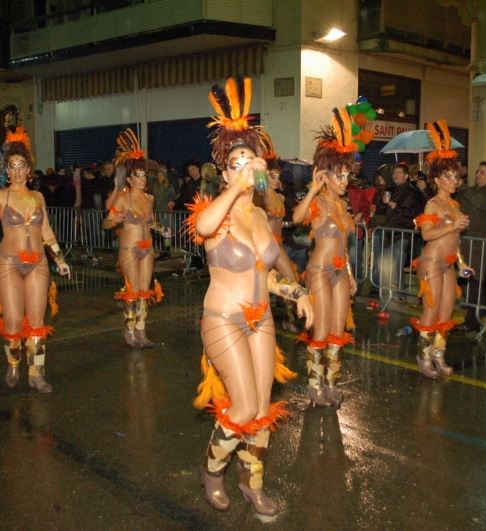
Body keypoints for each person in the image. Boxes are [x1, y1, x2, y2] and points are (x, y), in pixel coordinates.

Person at [189, 77, 312, 517]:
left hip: (261, 318)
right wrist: (236, 189)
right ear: (224, 171)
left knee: (261, 409)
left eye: (250, 158)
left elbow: (266, 274)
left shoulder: (262, 215)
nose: (244, 166)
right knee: (240, 405)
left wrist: (296, 290)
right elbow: (202, 229)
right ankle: (212, 470)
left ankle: (251, 482)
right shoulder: (216, 210)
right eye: (234, 161)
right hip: (223, 318)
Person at [0, 127, 71, 393]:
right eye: (12, 166)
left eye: (22, 166)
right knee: (14, 321)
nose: (17, 171)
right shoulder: (0, 196)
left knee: (38, 321)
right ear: (6, 169)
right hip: (8, 262)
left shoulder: (38, 197)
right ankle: (13, 364)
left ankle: (37, 374)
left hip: (38, 261)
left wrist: (60, 260)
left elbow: (47, 232)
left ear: (29, 169)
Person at [292, 107, 358, 407]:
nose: (345, 181)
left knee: (338, 330)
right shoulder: (318, 201)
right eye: (340, 176)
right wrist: (314, 187)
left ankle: (331, 384)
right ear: (327, 175)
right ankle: (314, 385)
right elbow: (296, 217)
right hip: (319, 271)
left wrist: (352, 274)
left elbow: (344, 246)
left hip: (341, 272)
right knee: (320, 330)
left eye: (347, 176)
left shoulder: (344, 207)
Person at [410, 120, 473, 379]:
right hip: (431, 263)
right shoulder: (433, 205)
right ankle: (423, 356)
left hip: (448, 264)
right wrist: (451, 227)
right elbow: (427, 234)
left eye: (456, 176)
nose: (454, 180)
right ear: (437, 180)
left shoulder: (455, 206)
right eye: (448, 176)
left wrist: (462, 263)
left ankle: (438, 355)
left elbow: (455, 242)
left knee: (447, 313)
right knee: (431, 310)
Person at [104, 129, 168, 348]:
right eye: (137, 176)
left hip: (147, 248)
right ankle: (129, 330)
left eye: (144, 175)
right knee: (131, 291)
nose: (142, 179)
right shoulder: (122, 199)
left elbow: (150, 222)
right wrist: (114, 220)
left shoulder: (149, 199)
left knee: (144, 291)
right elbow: (106, 222)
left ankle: (141, 331)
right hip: (129, 249)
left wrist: (162, 229)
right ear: (129, 179)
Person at [258, 131, 300, 333]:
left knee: (291, 279)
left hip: (278, 244)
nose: (276, 179)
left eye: (278, 176)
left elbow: (282, 221)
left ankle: (288, 317)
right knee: (258, 284)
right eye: (271, 176)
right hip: (263, 246)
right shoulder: (260, 198)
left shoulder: (281, 199)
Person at [455, 161, 486, 333]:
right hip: (465, 239)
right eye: (477, 171)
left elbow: (481, 203)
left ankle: (473, 319)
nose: (478, 175)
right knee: (466, 278)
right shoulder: (468, 192)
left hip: (480, 241)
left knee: (474, 279)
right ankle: (480, 310)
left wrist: (464, 188)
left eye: (482, 172)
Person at [376, 162, 425, 299]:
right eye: (394, 173)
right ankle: (389, 291)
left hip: (403, 231)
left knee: (396, 260)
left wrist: (396, 206)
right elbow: (380, 209)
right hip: (390, 231)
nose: (396, 175)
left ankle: (399, 293)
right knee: (386, 261)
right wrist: (383, 202)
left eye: (399, 173)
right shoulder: (391, 189)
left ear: (406, 176)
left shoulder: (412, 192)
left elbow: (414, 212)